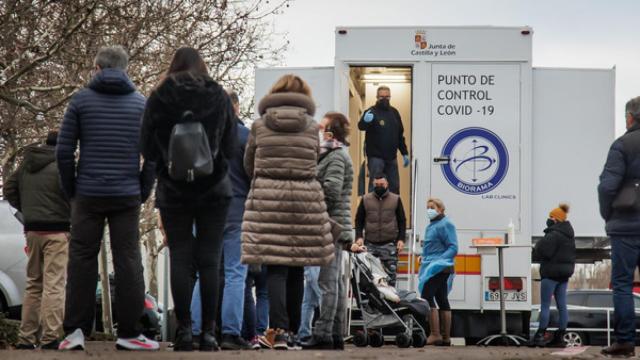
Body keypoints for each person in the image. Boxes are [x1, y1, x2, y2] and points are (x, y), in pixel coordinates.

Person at [56, 46, 158, 351]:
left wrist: (71, 188)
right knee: (128, 260)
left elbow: (63, 150)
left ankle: (75, 331)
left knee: (81, 259)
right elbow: (152, 157)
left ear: (98, 68)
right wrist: (142, 190)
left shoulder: (80, 101)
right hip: (126, 194)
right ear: (125, 69)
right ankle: (129, 333)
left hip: (87, 193)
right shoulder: (141, 104)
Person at [140, 47, 236, 351]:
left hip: (174, 190)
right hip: (214, 190)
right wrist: (215, 165)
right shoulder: (218, 95)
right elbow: (231, 147)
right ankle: (209, 333)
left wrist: (167, 165)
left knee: (181, 257)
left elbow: (146, 145)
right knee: (210, 260)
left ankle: (183, 332)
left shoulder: (159, 96)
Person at [241, 74, 335, 350]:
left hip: (269, 200)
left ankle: (279, 331)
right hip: (304, 201)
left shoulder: (259, 126)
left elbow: (249, 164)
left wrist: (266, 180)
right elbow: (314, 161)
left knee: (276, 268)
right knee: (297, 267)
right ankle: (293, 332)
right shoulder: (311, 127)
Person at [302, 112, 364, 350]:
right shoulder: (335, 154)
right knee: (334, 282)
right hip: (335, 225)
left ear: (330, 132)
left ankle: (323, 334)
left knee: (328, 282)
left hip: (330, 225)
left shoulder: (336, 156)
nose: (319, 130)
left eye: (323, 127)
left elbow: (331, 191)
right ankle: (335, 334)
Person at [4, 132, 70, 350]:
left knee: (33, 283)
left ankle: (26, 337)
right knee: (54, 284)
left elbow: (8, 189)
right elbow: (73, 195)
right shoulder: (63, 166)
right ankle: (50, 336)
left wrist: (27, 210)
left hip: (32, 230)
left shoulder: (27, 164)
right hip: (58, 232)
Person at [598, 96, 640, 357]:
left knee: (623, 284)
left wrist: (608, 215)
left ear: (629, 117)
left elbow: (607, 186)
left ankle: (625, 342)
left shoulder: (623, 144)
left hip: (625, 227)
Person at [530, 203, 575, 348]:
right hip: (564, 276)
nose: (548, 219)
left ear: (556, 219)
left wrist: (537, 247)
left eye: (551, 217)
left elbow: (542, 251)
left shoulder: (553, 235)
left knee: (545, 305)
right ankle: (560, 337)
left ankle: (540, 336)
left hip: (550, 275)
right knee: (562, 306)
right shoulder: (569, 235)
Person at [418, 198, 457, 346]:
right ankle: (445, 338)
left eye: (432, 207)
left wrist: (438, 261)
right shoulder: (433, 225)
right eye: (427, 207)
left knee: (426, 295)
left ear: (440, 209)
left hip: (440, 267)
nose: (429, 210)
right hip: (433, 266)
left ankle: (435, 334)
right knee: (441, 298)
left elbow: (453, 247)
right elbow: (433, 247)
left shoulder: (446, 224)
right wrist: (425, 256)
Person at [354, 175, 406, 287]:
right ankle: (368, 303)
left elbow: (402, 221)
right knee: (367, 277)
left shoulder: (395, 199)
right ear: (373, 185)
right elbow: (359, 220)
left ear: (387, 184)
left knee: (390, 277)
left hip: (389, 244)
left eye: (381, 185)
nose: (379, 187)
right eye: (376, 185)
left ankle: (390, 303)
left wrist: (401, 239)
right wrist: (359, 236)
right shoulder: (365, 199)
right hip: (370, 244)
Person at [358, 85, 409, 194]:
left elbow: (400, 135)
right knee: (375, 187)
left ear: (390, 97)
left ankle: (394, 210)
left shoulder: (395, 113)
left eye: (387, 96)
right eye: (382, 97)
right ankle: (372, 210)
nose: (385, 99)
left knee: (394, 187)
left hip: (391, 157)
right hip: (376, 158)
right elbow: (361, 127)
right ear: (377, 97)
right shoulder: (371, 111)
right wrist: (365, 121)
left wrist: (404, 152)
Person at [242, 265, 269, 349]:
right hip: (265, 256)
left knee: (246, 292)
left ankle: (246, 333)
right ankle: (260, 332)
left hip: (248, 257)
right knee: (263, 294)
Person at [298, 266, 321, 342]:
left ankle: (304, 333)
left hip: (311, 262)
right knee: (323, 296)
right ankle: (326, 331)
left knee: (308, 302)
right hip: (316, 261)